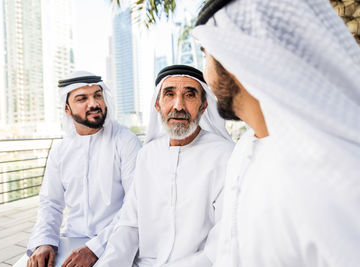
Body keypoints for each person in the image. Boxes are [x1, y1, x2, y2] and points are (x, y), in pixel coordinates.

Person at [192, 0, 360, 266]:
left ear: (234, 56)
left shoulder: (333, 176)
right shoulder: (245, 150)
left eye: (206, 54)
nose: (206, 73)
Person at [95, 65, 235, 267]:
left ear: (204, 106)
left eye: (189, 95)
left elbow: (222, 241)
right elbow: (129, 225)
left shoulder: (225, 156)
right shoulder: (147, 155)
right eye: (169, 94)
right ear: (157, 105)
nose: (178, 105)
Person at [26, 71, 142, 267]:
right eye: (82, 99)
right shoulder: (60, 151)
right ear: (67, 109)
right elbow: (50, 203)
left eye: (97, 95)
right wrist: (44, 242)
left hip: (118, 241)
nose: (94, 103)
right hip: (71, 240)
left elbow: (136, 205)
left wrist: (95, 249)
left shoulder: (126, 142)